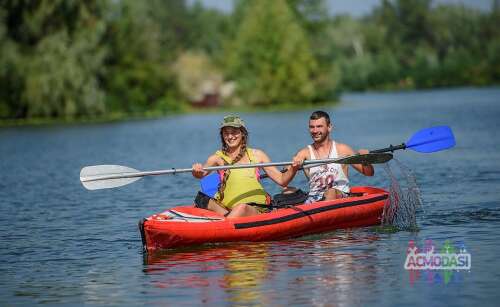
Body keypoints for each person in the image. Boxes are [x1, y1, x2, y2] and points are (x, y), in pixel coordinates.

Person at [192, 115, 299, 218]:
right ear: (222, 135)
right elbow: (201, 174)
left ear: (242, 133)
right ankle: (227, 217)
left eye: (234, 132)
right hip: (228, 208)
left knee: (241, 208)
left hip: (254, 208)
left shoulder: (257, 155)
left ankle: (224, 226)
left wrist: (294, 168)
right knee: (202, 199)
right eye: (226, 133)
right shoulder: (217, 158)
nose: (230, 137)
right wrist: (196, 171)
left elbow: (282, 180)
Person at [289, 110, 374, 203]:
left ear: (329, 127)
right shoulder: (304, 153)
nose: (315, 131)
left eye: (319, 126)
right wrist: (294, 164)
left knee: (331, 192)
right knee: (288, 191)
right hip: (314, 198)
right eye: (312, 127)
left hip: (340, 196)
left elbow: (369, 173)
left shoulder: (343, 150)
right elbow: (287, 171)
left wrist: (365, 159)